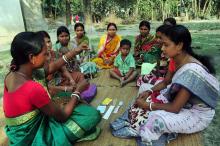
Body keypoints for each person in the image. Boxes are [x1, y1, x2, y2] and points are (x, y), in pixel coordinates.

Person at [111, 25, 219, 145]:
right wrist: (149, 92)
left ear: (179, 46)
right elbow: (165, 82)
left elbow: (175, 108)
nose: (162, 48)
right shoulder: (175, 59)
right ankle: (141, 120)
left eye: (166, 45)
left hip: (195, 113)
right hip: (182, 103)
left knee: (154, 120)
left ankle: (148, 129)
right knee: (144, 89)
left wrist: (148, 105)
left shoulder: (191, 72)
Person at [3, 32, 101, 145]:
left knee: (68, 98)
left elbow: (51, 67)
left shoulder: (13, 73)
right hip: (33, 137)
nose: (47, 58)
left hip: (18, 133)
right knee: (92, 115)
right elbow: (63, 117)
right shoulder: (32, 88)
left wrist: (75, 51)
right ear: (31, 57)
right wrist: (78, 90)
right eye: (45, 54)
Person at [36, 31, 88, 98]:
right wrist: (65, 88)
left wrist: (71, 80)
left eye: (49, 42)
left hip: (60, 79)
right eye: (44, 43)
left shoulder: (55, 54)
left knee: (79, 75)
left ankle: (80, 93)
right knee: (50, 91)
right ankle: (74, 94)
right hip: (50, 85)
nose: (48, 45)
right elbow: (43, 84)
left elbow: (64, 70)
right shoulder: (39, 59)